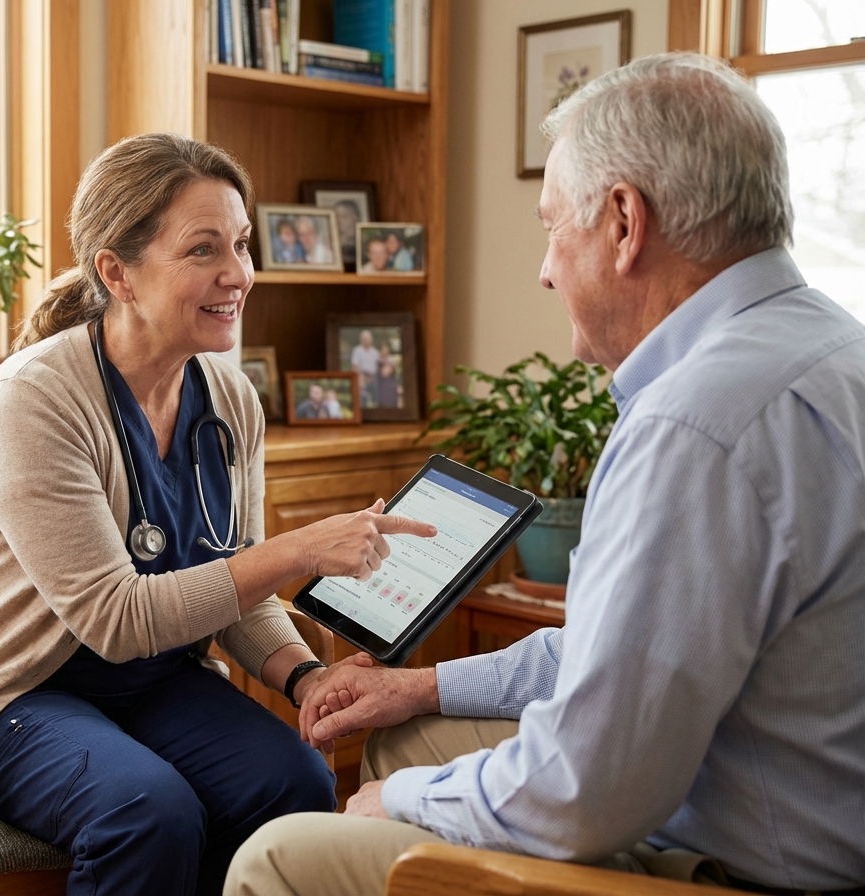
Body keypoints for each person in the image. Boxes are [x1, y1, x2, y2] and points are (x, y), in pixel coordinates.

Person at [226, 53, 865, 896]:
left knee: (277, 859)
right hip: (791, 801)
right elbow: (626, 648)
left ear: (624, 223)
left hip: (743, 864)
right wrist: (420, 686)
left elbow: (584, 794)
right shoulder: (832, 347)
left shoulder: (697, 424)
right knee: (408, 731)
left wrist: (395, 803)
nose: (545, 268)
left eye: (552, 226)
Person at [0, 133, 436, 896]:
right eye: (203, 250)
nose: (238, 274)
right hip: (3, 696)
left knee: (297, 785)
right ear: (118, 272)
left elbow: (234, 581)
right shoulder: (34, 400)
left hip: (151, 683)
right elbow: (115, 618)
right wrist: (299, 549)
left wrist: (305, 678)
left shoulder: (230, 398)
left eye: (241, 245)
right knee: (147, 812)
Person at [350, 329, 380, 407]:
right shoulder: (357, 350)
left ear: (371, 339)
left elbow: (377, 367)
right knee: (362, 403)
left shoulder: (375, 352)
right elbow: (355, 366)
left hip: (373, 379)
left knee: (375, 402)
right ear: (361, 340)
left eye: (368, 338)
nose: (366, 341)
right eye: (364, 339)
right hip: (362, 379)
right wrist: (360, 378)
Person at [331, 199, 362, 268]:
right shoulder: (328, 244)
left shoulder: (364, 242)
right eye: (337, 217)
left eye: (344, 216)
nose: (339, 221)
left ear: (356, 217)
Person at [375, 344, 399, 408]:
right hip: (381, 384)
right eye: (383, 350)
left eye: (386, 350)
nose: (385, 352)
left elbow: (390, 371)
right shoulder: (377, 360)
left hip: (389, 383)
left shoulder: (391, 360)